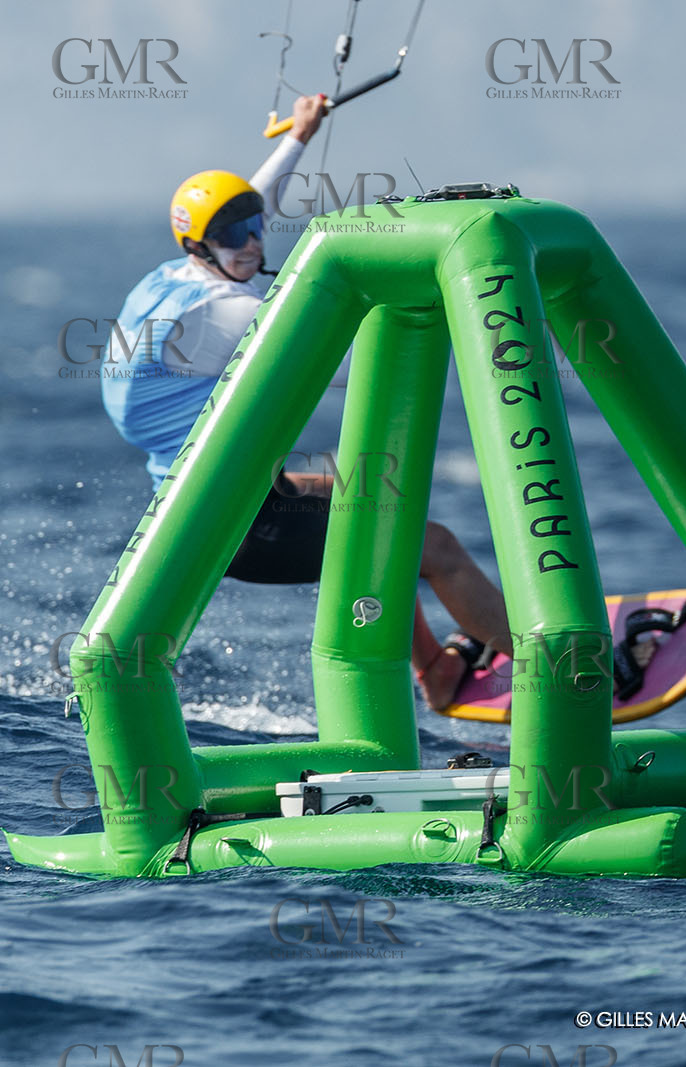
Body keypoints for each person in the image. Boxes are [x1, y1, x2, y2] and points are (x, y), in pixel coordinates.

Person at [101, 94, 506, 710]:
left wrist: (299, 137)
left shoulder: (176, 276)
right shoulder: (228, 314)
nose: (254, 245)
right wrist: (439, 303)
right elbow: (353, 366)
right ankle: (569, 676)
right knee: (435, 545)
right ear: (201, 246)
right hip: (237, 528)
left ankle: (437, 672)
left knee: (373, 505)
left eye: (255, 229)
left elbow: (245, 202)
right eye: (237, 237)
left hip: (202, 498)